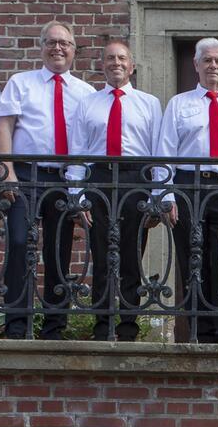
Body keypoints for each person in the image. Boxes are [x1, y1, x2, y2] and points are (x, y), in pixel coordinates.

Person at [0, 21, 94, 339]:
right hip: (25, 173)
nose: (58, 48)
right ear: (41, 47)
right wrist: (6, 169)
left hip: (64, 178)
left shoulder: (85, 93)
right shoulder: (21, 82)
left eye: (64, 43)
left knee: (58, 250)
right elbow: (5, 127)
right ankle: (16, 324)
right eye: (51, 42)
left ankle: (54, 326)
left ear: (74, 51)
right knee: (20, 243)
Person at [155, 37, 218, 344]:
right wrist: (165, 195)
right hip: (189, 187)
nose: (213, 66)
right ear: (195, 65)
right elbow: (164, 151)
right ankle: (200, 331)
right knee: (193, 260)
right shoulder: (179, 104)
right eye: (207, 60)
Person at [65, 40, 163, 341]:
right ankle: (102, 325)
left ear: (131, 66)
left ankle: (130, 325)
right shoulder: (88, 103)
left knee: (133, 255)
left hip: (135, 179)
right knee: (102, 254)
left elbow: (159, 153)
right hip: (100, 180)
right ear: (102, 65)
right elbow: (77, 152)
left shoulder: (149, 103)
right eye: (110, 58)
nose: (116, 63)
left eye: (122, 58)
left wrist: (157, 197)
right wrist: (76, 195)